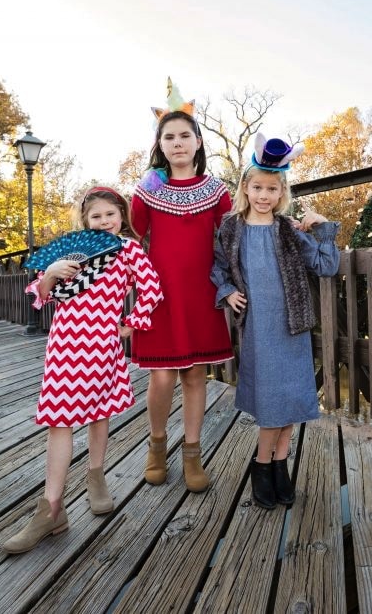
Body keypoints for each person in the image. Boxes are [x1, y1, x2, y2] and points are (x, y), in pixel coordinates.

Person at [4, 186, 163, 553]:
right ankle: (52, 509)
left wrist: (131, 322)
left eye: (111, 214)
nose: (104, 221)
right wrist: (50, 274)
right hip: (64, 344)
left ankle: (96, 476)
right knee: (59, 419)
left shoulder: (128, 249)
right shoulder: (69, 253)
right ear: (85, 220)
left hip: (102, 345)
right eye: (96, 216)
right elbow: (40, 297)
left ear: (122, 216)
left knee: (99, 411)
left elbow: (152, 289)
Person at [210, 134, 340, 509]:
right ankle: (260, 465)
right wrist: (228, 291)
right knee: (270, 402)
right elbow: (217, 267)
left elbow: (326, 266)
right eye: (257, 188)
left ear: (281, 192)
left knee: (290, 399)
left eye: (271, 189)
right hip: (259, 327)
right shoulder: (232, 228)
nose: (264, 195)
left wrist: (323, 228)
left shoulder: (288, 230)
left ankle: (280, 466)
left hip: (292, 325)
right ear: (246, 189)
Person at [130, 79, 234, 492]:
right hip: (160, 295)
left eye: (184, 136)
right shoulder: (150, 188)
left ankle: (193, 454)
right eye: (168, 137)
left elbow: (233, 237)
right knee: (161, 378)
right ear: (160, 145)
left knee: (195, 376)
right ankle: (157, 447)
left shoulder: (216, 190)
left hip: (200, 294)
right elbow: (132, 233)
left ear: (197, 142)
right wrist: (142, 190)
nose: (177, 143)